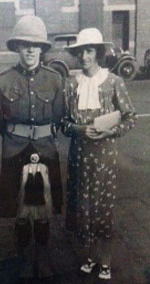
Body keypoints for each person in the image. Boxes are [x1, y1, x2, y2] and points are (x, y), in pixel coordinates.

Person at [0, 15, 64, 279]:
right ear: (17, 48)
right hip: (15, 151)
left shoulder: (55, 80)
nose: (31, 50)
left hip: (44, 150)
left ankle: (41, 257)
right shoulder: (3, 81)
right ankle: (23, 257)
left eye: (36, 45)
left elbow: (58, 115)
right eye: (25, 44)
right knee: (20, 213)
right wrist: (18, 136)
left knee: (43, 211)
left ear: (43, 49)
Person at [61, 28, 137, 280]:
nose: (84, 56)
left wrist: (110, 132)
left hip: (104, 156)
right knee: (83, 208)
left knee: (102, 208)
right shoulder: (71, 85)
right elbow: (63, 123)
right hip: (79, 156)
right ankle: (89, 257)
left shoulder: (114, 81)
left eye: (89, 50)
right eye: (80, 51)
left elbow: (130, 117)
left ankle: (105, 260)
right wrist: (79, 129)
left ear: (99, 53)